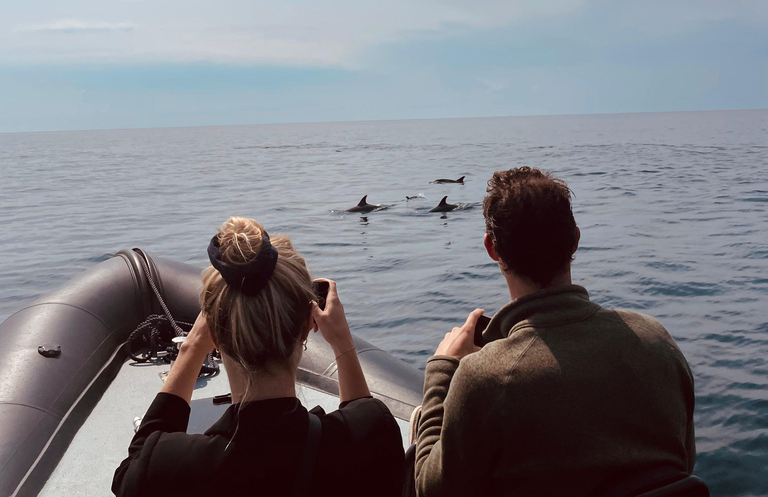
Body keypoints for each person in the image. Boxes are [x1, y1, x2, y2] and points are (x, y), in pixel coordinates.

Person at [414, 167, 696, 496]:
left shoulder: (485, 379)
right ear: (575, 238)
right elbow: (683, 462)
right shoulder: (657, 340)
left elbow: (430, 490)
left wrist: (442, 370)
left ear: (492, 249)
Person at [113, 217, 404, 497]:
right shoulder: (370, 437)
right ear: (306, 327)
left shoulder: (169, 468)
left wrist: (191, 348)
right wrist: (342, 343)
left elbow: (136, 464)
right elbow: (361, 416)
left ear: (214, 333)